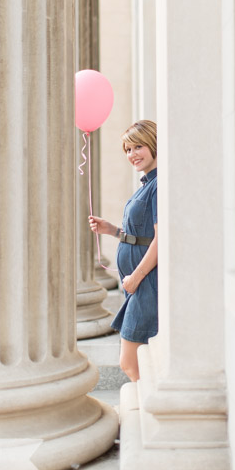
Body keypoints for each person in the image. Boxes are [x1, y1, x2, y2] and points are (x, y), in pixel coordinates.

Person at [88, 120, 158, 382]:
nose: (132, 155)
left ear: (154, 144)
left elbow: (160, 240)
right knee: (139, 360)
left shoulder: (159, 185)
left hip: (146, 284)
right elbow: (143, 235)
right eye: (128, 149)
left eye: (138, 146)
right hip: (138, 284)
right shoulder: (147, 184)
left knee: (130, 363)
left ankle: (155, 413)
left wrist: (136, 278)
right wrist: (112, 231)